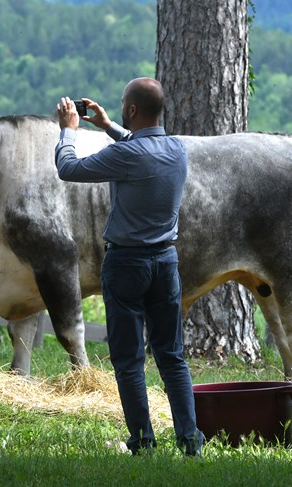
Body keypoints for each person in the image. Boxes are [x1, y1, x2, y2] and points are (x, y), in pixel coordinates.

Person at [54, 77, 204, 456]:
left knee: (129, 358)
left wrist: (68, 132)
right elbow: (142, 147)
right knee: (172, 356)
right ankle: (190, 441)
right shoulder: (177, 149)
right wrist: (107, 126)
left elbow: (68, 168)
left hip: (125, 265)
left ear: (132, 110)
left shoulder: (127, 156)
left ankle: (143, 441)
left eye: (123, 104)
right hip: (166, 263)